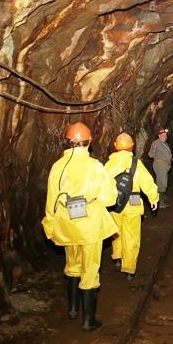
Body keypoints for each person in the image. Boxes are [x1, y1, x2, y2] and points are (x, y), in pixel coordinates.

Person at [41, 122, 118, 331]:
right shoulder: (94, 166)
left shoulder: (57, 166)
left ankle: (73, 309)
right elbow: (110, 199)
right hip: (91, 226)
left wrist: (50, 225)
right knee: (90, 269)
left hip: (67, 224)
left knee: (72, 265)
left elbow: (51, 201)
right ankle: (88, 319)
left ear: (68, 142)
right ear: (89, 142)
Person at [105, 133, 159, 280]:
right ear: (131, 148)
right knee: (132, 236)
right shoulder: (136, 163)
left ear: (116, 147)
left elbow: (102, 185)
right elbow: (147, 182)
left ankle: (117, 257)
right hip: (133, 203)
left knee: (116, 232)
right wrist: (154, 198)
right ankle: (129, 269)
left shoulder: (108, 164)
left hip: (114, 204)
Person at [148, 127, 172, 208]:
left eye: (165, 135)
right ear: (159, 136)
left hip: (165, 166)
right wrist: (154, 150)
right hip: (159, 165)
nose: (164, 136)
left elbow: (168, 153)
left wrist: (170, 158)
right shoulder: (156, 143)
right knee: (162, 184)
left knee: (162, 182)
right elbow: (150, 155)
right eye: (162, 135)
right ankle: (160, 203)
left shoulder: (165, 143)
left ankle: (161, 196)